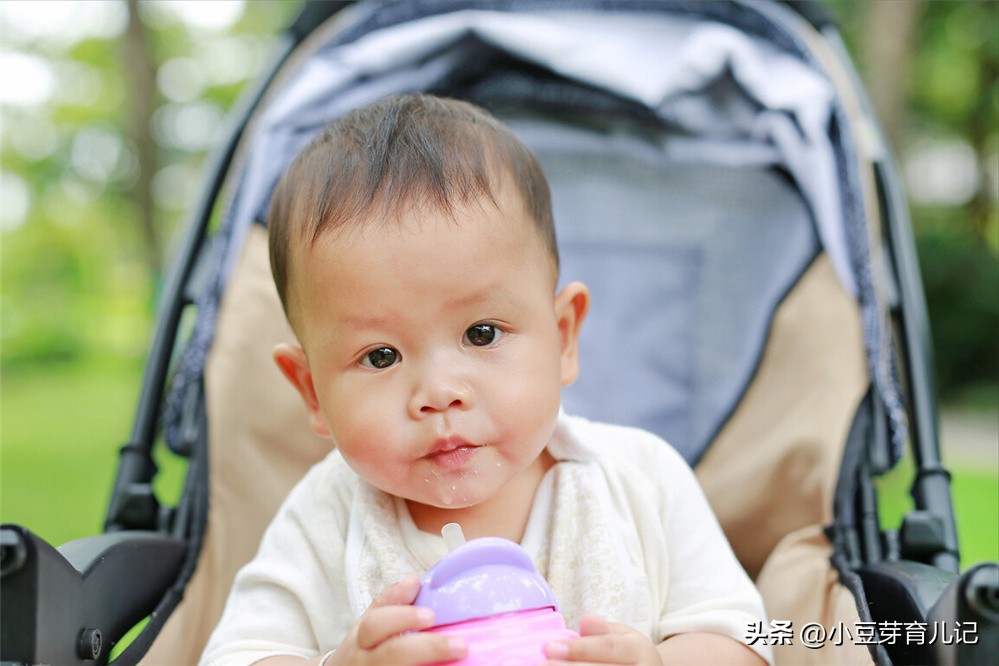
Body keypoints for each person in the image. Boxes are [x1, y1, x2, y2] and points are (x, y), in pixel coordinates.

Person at [201, 94, 772, 666]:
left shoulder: (641, 480)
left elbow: (745, 640)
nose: (439, 393)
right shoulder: (325, 518)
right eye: (380, 356)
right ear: (311, 391)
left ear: (563, 337)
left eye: (481, 334)